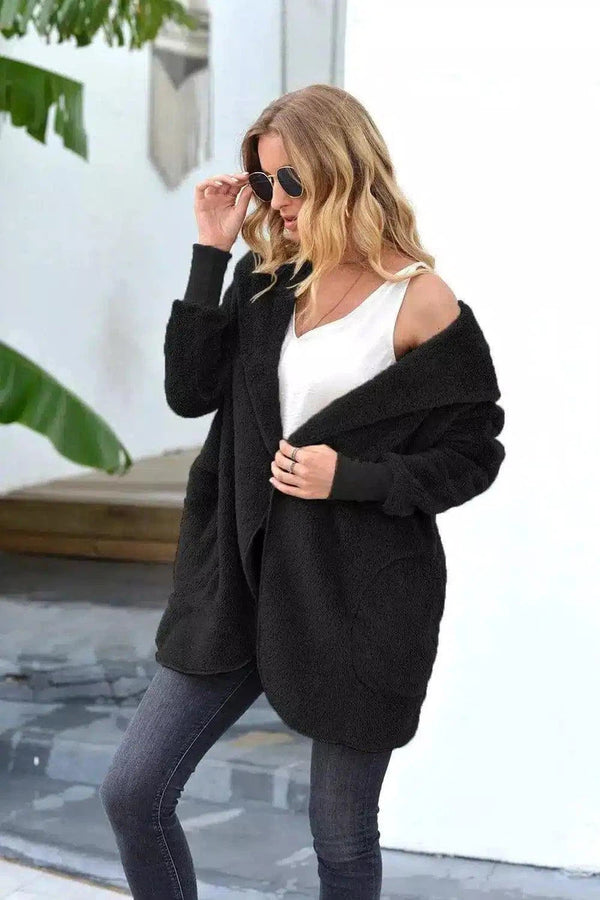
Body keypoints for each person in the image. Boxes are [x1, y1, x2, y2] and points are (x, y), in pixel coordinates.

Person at [100, 84, 505, 900]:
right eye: (264, 180)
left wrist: (351, 478)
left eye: (291, 181)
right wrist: (211, 251)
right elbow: (189, 392)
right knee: (134, 791)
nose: (276, 200)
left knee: (341, 837)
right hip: (238, 581)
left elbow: (475, 452)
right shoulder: (267, 281)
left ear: (343, 171)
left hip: (358, 598)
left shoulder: (419, 299)